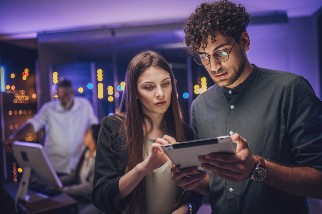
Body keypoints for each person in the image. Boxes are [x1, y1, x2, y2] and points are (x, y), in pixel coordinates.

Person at [168, 1, 322, 214]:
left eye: (221, 53)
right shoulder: (200, 106)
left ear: (244, 41)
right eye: (205, 57)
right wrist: (193, 180)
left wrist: (257, 167)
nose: (213, 66)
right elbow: (212, 181)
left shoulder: (290, 90)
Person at [92, 50, 202, 214]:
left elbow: (196, 192)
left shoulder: (184, 131)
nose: (160, 93)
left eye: (165, 84)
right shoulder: (113, 128)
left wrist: (187, 209)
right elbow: (102, 197)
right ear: (135, 92)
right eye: (149, 87)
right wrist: (144, 167)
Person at [5, 79, 99, 174]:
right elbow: (33, 124)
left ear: (72, 93)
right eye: (60, 97)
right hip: (55, 166)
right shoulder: (48, 108)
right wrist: (14, 137)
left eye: (66, 95)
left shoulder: (84, 105)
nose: (64, 100)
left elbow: (94, 125)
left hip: (80, 166)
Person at [61, 124, 101, 214]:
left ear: (94, 136)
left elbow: (91, 186)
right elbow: (74, 176)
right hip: (82, 197)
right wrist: (56, 181)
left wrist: (65, 190)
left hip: (94, 200)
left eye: (87, 134)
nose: (83, 136)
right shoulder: (85, 153)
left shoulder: (100, 158)